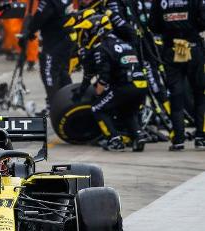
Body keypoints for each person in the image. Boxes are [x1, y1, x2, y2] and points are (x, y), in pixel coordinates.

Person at [74, 14, 149, 151]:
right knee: (127, 111)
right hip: (141, 85)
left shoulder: (102, 48)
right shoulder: (123, 43)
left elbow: (104, 77)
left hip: (126, 86)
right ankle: (139, 136)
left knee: (97, 108)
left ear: (96, 30)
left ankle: (114, 140)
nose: (85, 35)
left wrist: (97, 92)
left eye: (87, 31)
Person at [149, 0, 205, 150]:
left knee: (176, 94)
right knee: (200, 92)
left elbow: (153, 25)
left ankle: (178, 139)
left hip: (172, 48)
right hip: (192, 46)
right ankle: (201, 137)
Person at [19, 0, 75, 115]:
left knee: (48, 72)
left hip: (54, 42)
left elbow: (40, 16)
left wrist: (29, 32)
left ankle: (54, 108)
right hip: (67, 38)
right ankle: (70, 104)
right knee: (63, 72)